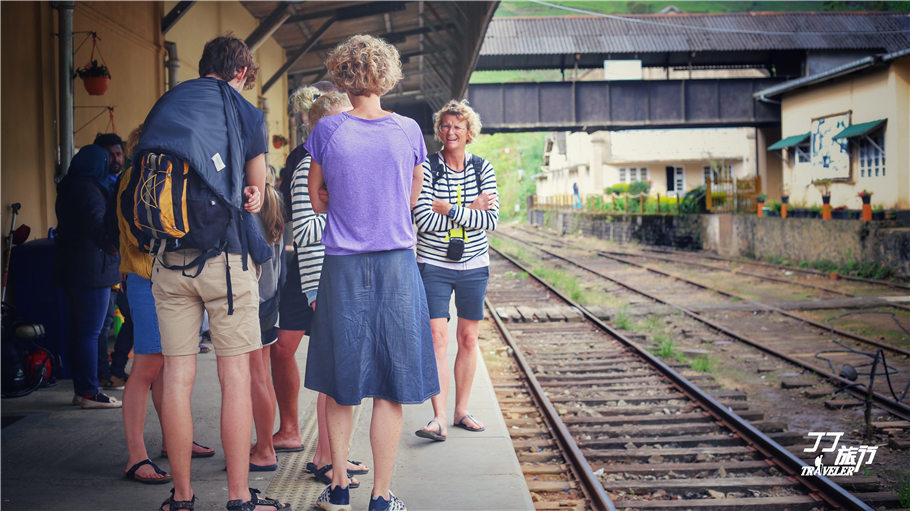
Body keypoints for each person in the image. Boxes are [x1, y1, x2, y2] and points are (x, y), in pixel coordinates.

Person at [137, 34, 288, 511]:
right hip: (225, 261)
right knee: (234, 379)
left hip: (169, 257)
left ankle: (181, 498)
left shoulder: (168, 101)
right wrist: (251, 193)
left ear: (204, 66)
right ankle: (240, 498)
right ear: (241, 72)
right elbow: (256, 193)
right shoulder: (245, 112)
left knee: (178, 379)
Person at [305, 34, 438, 511]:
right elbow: (412, 199)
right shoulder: (408, 131)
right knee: (391, 382)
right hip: (397, 266)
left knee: (343, 382)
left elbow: (318, 195)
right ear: (387, 75)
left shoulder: (327, 131)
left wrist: (348, 207)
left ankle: (339, 488)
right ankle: (381, 497)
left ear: (342, 75)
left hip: (342, 266)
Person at [108, 126, 215, 486]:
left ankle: (173, 440)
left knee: (169, 367)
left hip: (158, 276)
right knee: (148, 365)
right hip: (147, 278)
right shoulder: (135, 179)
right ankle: (136, 456)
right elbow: (145, 231)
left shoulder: (144, 176)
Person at [288, 88, 368, 487]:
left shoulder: (330, 165)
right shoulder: (307, 168)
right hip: (321, 280)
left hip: (337, 276)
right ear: (322, 126)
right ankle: (325, 459)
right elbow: (303, 229)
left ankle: (331, 454)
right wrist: (344, 211)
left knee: (338, 373)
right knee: (334, 375)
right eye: (341, 120)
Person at [413, 100, 499, 442]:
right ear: (439, 130)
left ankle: (461, 410)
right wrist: (469, 209)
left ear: (469, 132)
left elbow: (490, 221)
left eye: (457, 127)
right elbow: (422, 220)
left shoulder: (484, 168)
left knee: (468, 338)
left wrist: (448, 207)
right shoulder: (427, 167)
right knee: (437, 338)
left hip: (474, 265)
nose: (450, 132)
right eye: (445, 126)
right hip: (433, 264)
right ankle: (437, 417)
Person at [270, 81, 338, 455]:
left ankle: (330, 454)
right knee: (282, 349)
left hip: (341, 268)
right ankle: (293, 431)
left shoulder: (350, 156)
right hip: (308, 267)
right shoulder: (302, 159)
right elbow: (301, 223)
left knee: (333, 361)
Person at [53, 145, 122, 409]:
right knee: (90, 332)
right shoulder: (90, 191)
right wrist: (115, 244)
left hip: (72, 268)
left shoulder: (70, 186)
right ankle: (90, 393)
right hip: (90, 271)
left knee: (80, 331)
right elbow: (97, 227)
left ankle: (82, 390)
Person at [248, 166, 284, 471]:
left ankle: (265, 450)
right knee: (264, 377)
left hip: (254, 303)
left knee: (255, 378)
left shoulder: (252, 215)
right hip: (271, 302)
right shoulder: (274, 212)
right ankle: (265, 442)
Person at [93, 132, 131, 390]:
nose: (115, 159)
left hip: (121, 265)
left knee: (129, 318)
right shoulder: (96, 187)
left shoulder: (122, 180)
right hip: (105, 264)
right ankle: (108, 372)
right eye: (110, 154)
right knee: (103, 323)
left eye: (118, 153)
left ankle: (115, 369)